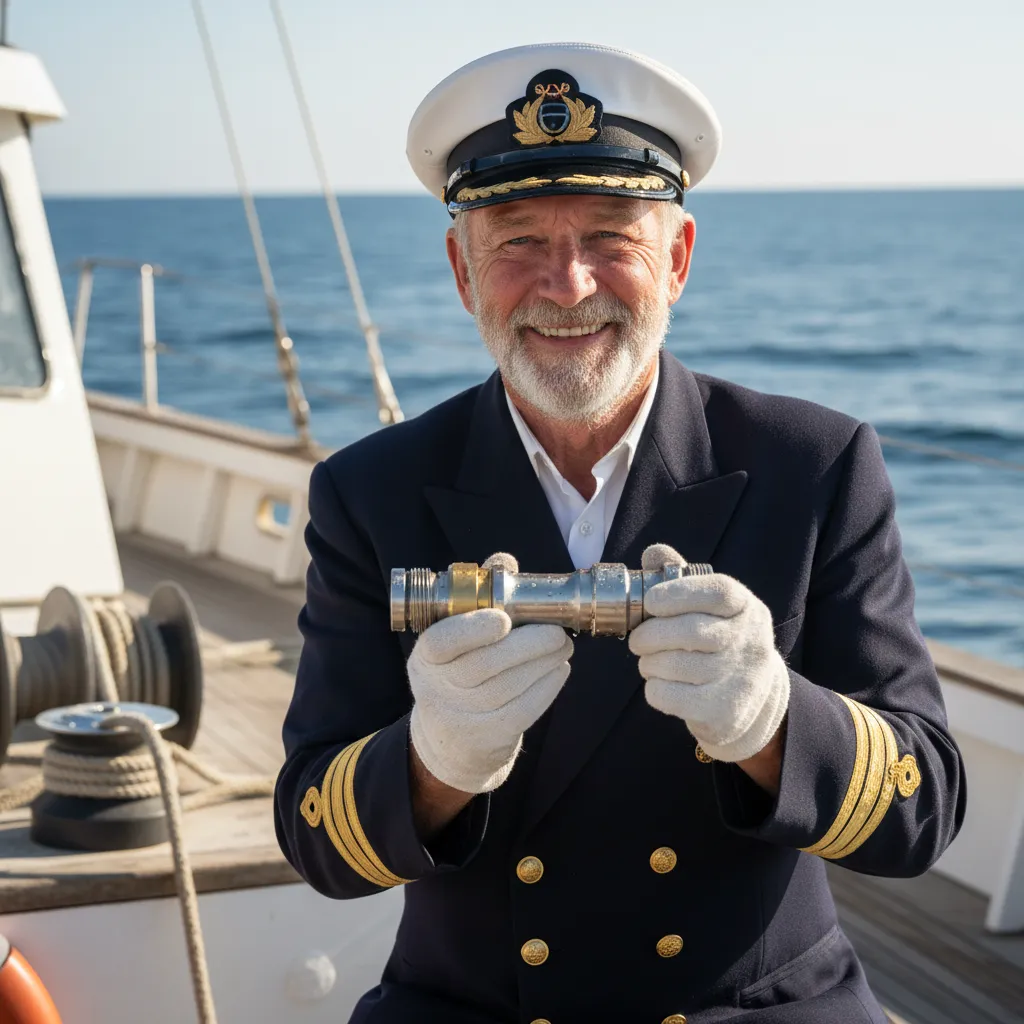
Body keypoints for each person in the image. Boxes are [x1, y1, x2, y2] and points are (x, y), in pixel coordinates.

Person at [274, 43, 966, 1024]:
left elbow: (922, 811)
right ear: (461, 270)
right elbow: (316, 840)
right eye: (515, 240)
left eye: (610, 237)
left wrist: (773, 724)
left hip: (749, 1005)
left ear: (676, 259)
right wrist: (434, 761)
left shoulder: (812, 466)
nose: (565, 285)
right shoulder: (369, 493)